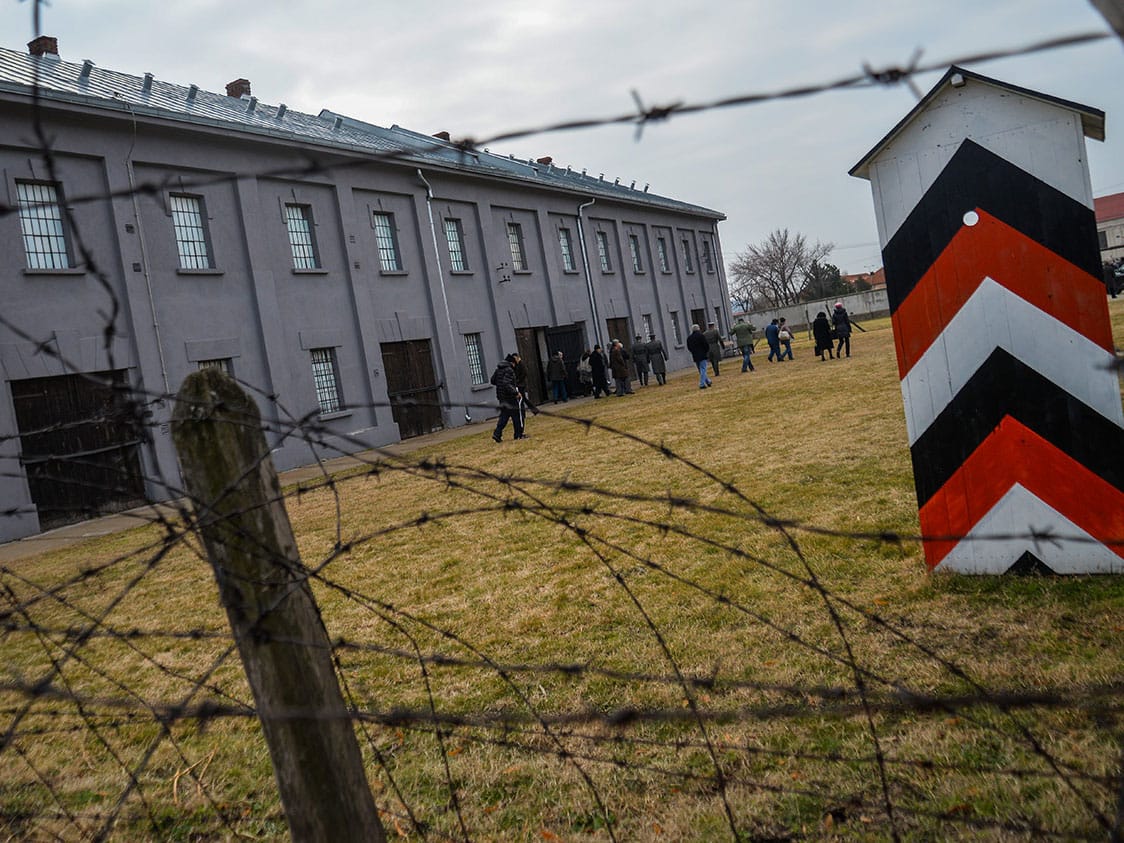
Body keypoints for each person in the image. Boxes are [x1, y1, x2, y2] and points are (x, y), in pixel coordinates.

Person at [490, 355, 525, 441]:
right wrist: (515, 392)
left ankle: (497, 433)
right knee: (516, 415)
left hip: (501, 397)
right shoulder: (509, 370)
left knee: (504, 416)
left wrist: (500, 384)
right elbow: (507, 383)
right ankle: (518, 434)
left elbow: (493, 380)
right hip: (510, 397)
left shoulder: (498, 370)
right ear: (512, 363)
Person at [510, 352, 540, 421]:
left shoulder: (521, 364)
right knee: (522, 399)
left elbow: (524, 374)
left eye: (514, 358)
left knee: (522, 399)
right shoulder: (517, 365)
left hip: (521, 385)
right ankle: (532, 411)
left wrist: (518, 381)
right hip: (519, 384)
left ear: (517, 357)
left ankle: (529, 411)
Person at [686, 323, 712, 389]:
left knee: (701, 370)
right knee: (703, 369)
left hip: (695, 355)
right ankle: (702, 384)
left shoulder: (689, 338)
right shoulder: (701, 336)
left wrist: (693, 352)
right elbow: (706, 345)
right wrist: (706, 351)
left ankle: (708, 381)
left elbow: (689, 347)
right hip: (702, 354)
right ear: (698, 329)